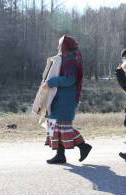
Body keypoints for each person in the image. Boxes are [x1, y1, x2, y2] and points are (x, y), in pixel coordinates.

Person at [44, 35, 92, 164]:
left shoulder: (70, 59)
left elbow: (70, 79)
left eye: (60, 44)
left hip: (65, 99)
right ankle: (60, 155)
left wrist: (53, 81)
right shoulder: (65, 57)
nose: (58, 47)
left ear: (65, 45)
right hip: (59, 98)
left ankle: (83, 146)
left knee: (64, 127)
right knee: (54, 126)